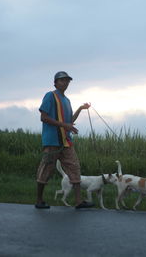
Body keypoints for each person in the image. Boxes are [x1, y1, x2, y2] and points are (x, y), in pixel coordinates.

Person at [35, 71, 94, 209]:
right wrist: (65, 125)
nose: (65, 83)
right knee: (46, 169)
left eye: (67, 80)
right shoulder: (50, 96)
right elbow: (43, 117)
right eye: (62, 80)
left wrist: (81, 108)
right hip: (52, 141)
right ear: (55, 83)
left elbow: (70, 121)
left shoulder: (67, 101)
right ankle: (39, 200)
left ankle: (79, 201)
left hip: (66, 141)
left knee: (74, 168)